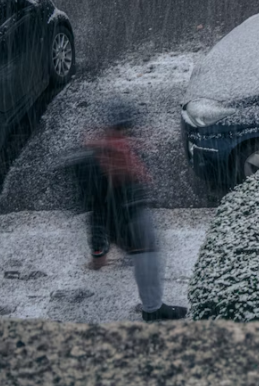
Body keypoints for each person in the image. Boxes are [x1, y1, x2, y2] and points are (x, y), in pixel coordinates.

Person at [71, 100, 187, 322]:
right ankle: (152, 309)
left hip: (130, 212)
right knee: (147, 255)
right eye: (124, 128)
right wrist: (98, 249)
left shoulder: (115, 148)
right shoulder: (101, 158)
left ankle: (152, 304)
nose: (128, 134)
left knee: (147, 254)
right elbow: (96, 209)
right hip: (126, 218)